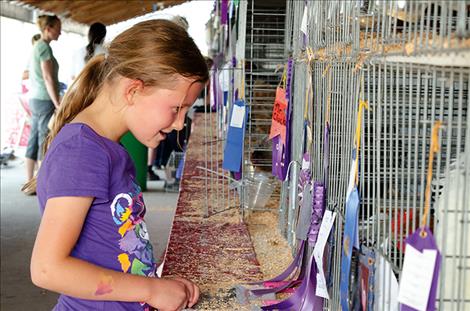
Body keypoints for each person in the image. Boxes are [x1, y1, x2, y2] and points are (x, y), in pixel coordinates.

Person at [29, 19, 208, 311]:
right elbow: (47, 268)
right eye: (177, 108)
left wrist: (154, 281)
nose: (179, 124)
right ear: (133, 91)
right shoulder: (81, 151)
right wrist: (150, 289)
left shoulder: (107, 146)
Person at [22, 15, 61, 195]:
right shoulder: (44, 48)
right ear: (48, 29)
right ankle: (38, 183)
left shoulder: (36, 46)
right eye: (57, 28)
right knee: (43, 139)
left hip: (34, 99)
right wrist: (57, 102)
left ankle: (29, 181)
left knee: (34, 138)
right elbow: (47, 77)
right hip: (45, 99)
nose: (59, 31)